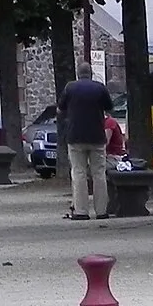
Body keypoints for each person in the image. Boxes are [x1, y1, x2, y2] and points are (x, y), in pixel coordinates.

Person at [59, 65, 114, 221]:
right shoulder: (100, 88)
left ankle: (81, 211)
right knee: (99, 173)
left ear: (78, 73)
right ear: (91, 74)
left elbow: (60, 108)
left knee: (78, 173)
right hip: (97, 136)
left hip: (75, 136)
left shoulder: (70, 87)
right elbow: (109, 106)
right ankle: (102, 210)